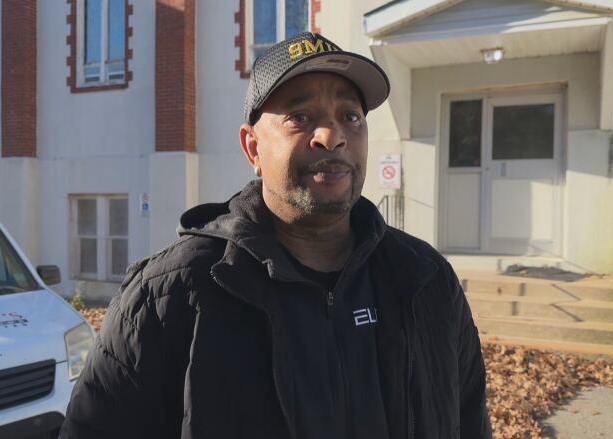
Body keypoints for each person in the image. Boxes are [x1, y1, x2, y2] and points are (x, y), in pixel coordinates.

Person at [59, 32, 492, 439]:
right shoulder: (168, 296)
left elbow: (470, 420)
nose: (332, 136)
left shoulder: (425, 280)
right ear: (253, 149)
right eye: (300, 117)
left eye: (351, 117)